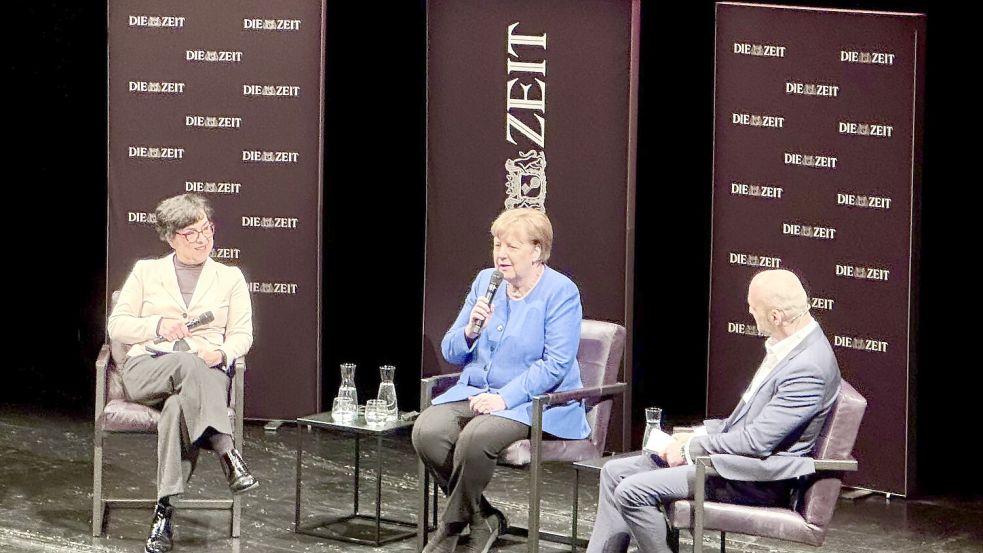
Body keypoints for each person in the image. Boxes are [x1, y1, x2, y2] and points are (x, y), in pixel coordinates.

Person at [586, 269, 841, 553]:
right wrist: (692, 435)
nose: (748, 312)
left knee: (632, 491)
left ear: (775, 317)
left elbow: (757, 442)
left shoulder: (808, 367)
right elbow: (741, 423)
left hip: (751, 479)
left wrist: (691, 448)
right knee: (613, 472)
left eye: (753, 308)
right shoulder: (790, 347)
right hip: (730, 463)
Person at [412, 208, 588, 553]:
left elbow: (555, 364)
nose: (501, 254)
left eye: (512, 246)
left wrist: (505, 399)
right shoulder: (486, 281)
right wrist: (471, 329)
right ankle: (483, 517)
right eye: (497, 245)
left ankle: (449, 528)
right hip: (477, 392)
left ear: (537, 251)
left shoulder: (561, 292)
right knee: (427, 431)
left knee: (477, 437)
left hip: (535, 402)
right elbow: (451, 350)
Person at [108, 194, 257, 553]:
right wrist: (158, 325)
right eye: (191, 233)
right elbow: (117, 326)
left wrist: (220, 351)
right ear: (171, 237)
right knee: (188, 365)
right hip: (150, 368)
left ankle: (164, 513)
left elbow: (242, 335)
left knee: (177, 409)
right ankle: (226, 451)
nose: (203, 239)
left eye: (207, 229)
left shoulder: (230, 277)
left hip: (205, 372)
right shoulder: (147, 271)